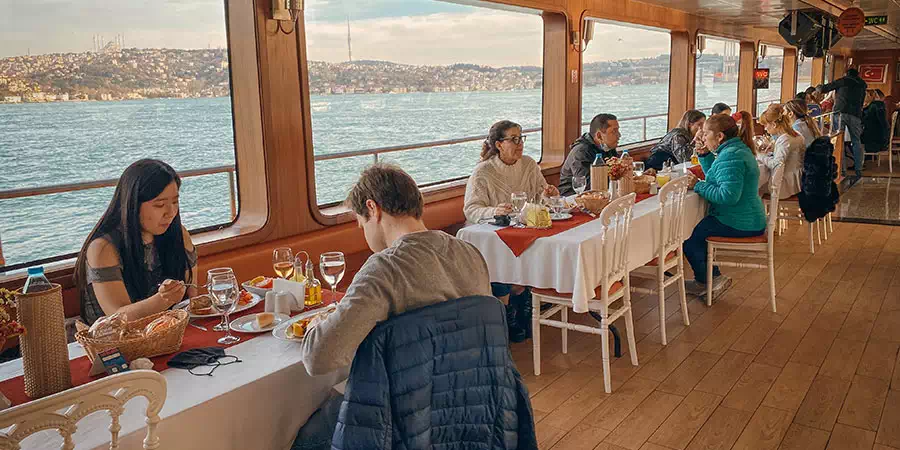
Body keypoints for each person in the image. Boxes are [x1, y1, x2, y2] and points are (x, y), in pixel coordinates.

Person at [293, 163, 493, 450]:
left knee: (307, 436)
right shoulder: (470, 253)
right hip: (477, 400)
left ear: (373, 209)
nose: (363, 232)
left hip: (406, 416)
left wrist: (315, 326)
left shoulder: (384, 269)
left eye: (361, 223)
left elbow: (318, 359)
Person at [464, 120, 558, 342]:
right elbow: (471, 210)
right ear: (498, 144)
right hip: (492, 235)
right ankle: (508, 318)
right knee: (499, 259)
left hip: (522, 231)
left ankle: (523, 305)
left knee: (536, 251)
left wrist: (549, 194)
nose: (520, 144)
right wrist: (494, 210)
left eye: (521, 138)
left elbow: (540, 195)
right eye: (513, 139)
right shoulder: (483, 172)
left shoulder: (529, 165)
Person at [74, 159, 198, 326]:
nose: (171, 213)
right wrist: (162, 300)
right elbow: (116, 317)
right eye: (160, 205)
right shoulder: (103, 248)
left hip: (169, 336)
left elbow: (193, 299)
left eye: (175, 202)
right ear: (132, 204)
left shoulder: (178, 234)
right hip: (116, 345)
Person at [683, 115, 767, 299]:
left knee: (689, 236)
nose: (703, 138)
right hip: (748, 217)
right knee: (698, 231)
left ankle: (707, 281)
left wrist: (697, 185)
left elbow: (728, 196)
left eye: (705, 134)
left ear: (719, 136)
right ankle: (711, 278)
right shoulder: (735, 150)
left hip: (741, 222)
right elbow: (718, 175)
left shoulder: (731, 156)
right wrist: (704, 154)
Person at [817, 68, 868, 177]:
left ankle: (842, 169)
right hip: (856, 114)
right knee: (856, 141)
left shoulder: (843, 81)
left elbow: (824, 89)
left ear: (846, 74)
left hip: (840, 113)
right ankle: (858, 169)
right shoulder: (863, 84)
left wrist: (817, 87)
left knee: (840, 140)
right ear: (858, 75)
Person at [558, 113, 620, 195]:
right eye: (614, 131)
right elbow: (587, 186)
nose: (619, 135)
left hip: (604, 193)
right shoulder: (581, 152)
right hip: (573, 197)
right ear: (599, 136)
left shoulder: (608, 148)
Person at [758, 104, 806, 198]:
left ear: (774, 124)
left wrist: (759, 154)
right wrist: (774, 148)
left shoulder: (784, 139)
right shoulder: (797, 134)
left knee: (751, 186)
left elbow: (776, 165)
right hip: (797, 181)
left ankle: (757, 211)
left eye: (765, 125)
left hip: (784, 186)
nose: (765, 128)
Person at [862, 88, 889, 158]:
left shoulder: (874, 106)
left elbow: (864, 120)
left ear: (870, 96)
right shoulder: (879, 105)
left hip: (874, 141)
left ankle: (857, 162)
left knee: (851, 140)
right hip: (881, 140)